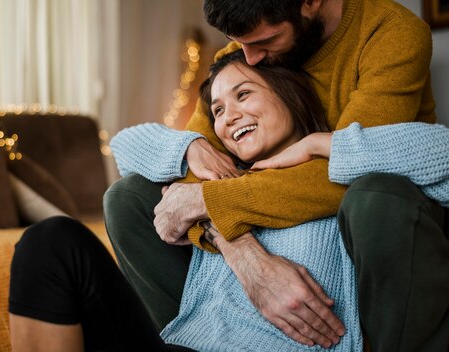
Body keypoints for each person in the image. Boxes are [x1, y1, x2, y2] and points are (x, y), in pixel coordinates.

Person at [8, 50, 449, 351]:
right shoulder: (218, 185)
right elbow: (126, 145)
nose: (228, 115)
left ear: (289, 95)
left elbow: (441, 152)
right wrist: (190, 147)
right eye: (218, 110)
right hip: (186, 343)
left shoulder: (338, 181)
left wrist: (317, 145)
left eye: (243, 95)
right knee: (49, 242)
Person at [104, 0, 447, 351]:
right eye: (239, 43)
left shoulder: (390, 32)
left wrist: (213, 200)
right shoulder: (244, 52)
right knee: (128, 198)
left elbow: (356, 169)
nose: (250, 57)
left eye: (265, 41)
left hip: (382, 210)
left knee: (373, 197)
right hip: (270, 218)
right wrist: (246, 257)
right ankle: (196, 335)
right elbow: (192, 180)